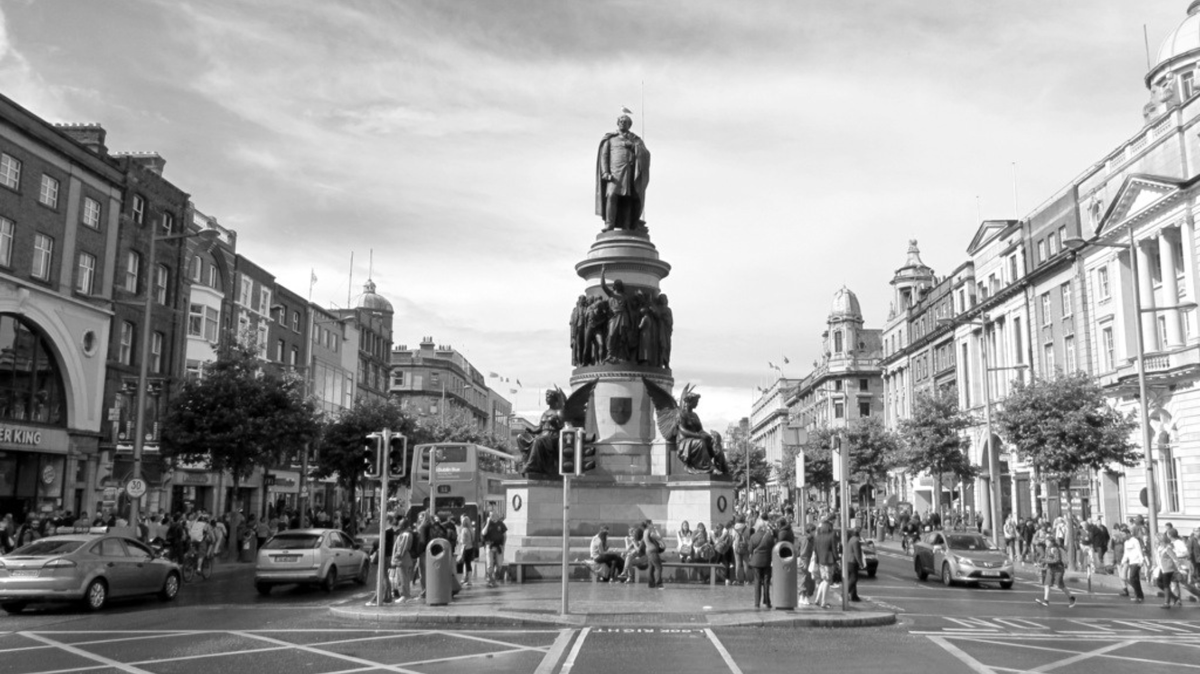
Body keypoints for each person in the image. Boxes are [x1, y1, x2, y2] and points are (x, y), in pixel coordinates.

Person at [595, 108, 650, 232]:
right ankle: (609, 224)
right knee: (611, 195)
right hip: (614, 174)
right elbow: (604, 156)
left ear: (629, 125)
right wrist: (605, 172)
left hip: (629, 173)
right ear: (617, 123)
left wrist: (633, 147)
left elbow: (646, 154)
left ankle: (626, 225)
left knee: (627, 199)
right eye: (620, 121)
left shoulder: (635, 139)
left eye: (625, 122)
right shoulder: (610, 139)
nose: (622, 123)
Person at [1035, 536, 1076, 608]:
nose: (1046, 543)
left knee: (1060, 585)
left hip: (1058, 569)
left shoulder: (1055, 549)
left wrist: (1046, 561)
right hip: (1050, 569)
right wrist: (1042, 564)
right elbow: (1047, 558)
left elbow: (1057, 560)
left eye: (1047, 542)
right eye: (1046, 542)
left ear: (1052, 542)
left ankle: (1071, 598)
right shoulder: (1047, 548)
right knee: (1047, 584)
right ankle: (1046, 601)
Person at [749, 516, 775, 610]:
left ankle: (757, 603)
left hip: (756, 562)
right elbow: (773, 547)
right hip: (767, 561)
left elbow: (750, 550)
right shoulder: (769, 536)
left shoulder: (753, 536)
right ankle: (767, 602)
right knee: (766, 581)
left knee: (757, 582)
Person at [811, 520, 837, 609]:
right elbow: (834, 549)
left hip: (820, 560)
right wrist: (837, 558)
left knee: (823, 580)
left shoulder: (818, 536)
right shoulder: (831, 535)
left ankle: (817, 599)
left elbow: (815, 549)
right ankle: (823, 602)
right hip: (828, 561)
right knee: (827, 581)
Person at [1154, 532, 1182, 608]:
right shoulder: (1159, 548)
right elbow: (1158, 559)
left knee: (1166, 585)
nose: (1155, 540)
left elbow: (1175, 558)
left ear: (1160, 539)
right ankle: (1174, 597)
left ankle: (1167, 603)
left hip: (1168, 569)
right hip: (1162, 568)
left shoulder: (1167, 548)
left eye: (1156, 539)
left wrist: (1178, 568)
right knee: (1159, 583)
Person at [391, 518, 415, 603]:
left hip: (402, 559)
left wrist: (396, 557)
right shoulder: (405, 534)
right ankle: (405, 595)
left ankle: (405, 595)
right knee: (403, 577)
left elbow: (402, 548)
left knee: (402, 578)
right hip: (403, 559)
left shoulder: (405, 534)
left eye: (400, 524)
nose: (399, 526)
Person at [482, 511, 507, 588]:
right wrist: (488, 523)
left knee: (499, 564)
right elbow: (483, 533)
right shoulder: (486, 523)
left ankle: (495, 578)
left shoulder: (501, 524)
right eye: (491, 515)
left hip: (499, 546)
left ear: (497, 516)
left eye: (494, 515)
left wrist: (503, 545)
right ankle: (491, 579)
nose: (493, 516)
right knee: (490, 565)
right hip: (490, 546)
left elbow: (504, 535)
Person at [1123, 526, 1146, 603]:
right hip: (1131, 562)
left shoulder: (1135, 541)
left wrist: (1141, 560)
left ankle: (1138, 594)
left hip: (1137, 562)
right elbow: (1126, 553)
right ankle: (1139, 595)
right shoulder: (1126, 543)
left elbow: (1139, 550)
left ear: (1128, 534)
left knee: (1132, 578)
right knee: (1135, 579)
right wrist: (1123, 561)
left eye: (1124, 535)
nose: (1123, 536)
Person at [846, 527, 866, 602]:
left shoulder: (851, 539)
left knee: (852, 578)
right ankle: (845, 593)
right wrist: (861, 564)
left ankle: (854, 596)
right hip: (852, 561)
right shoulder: (856, 541)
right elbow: (857, 554)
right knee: (854, 578)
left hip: (849, 561)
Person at [643, 521, 665, 589]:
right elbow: (659, 537)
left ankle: (651, 583)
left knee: (651, 568)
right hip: (652, 551)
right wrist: (656, 530)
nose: (652, 524)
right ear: (648, 524)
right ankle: (659, 583)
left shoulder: (645, 531)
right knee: (658, 567)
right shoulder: (649, 531)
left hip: (648, 551)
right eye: (651, 523)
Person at [731, 515, 750, 585]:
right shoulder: (747, 528)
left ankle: (737, 579)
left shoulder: (734, 528)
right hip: (745, 546)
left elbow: (732, 538)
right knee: (745, 563)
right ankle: (746, 580)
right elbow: (748, 537)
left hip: (736, 547)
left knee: (738, 563)